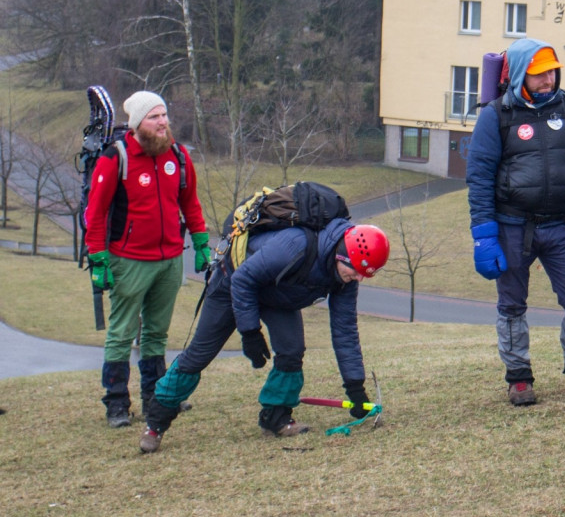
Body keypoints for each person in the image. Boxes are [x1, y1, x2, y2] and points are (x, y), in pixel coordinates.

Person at [138, 221, 390, 452]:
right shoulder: (294, 245)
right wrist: (249, 331)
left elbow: (344, 330)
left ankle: (276, 417)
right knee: (198, 356)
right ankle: (155, 423)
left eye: (365, 274)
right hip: (232, 282)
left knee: (292, 350)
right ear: (341, 254)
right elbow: (243, 280)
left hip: (277, 294)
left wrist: (355, 387)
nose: (358, 278)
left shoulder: (346, 278)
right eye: (356, 270)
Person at [467, 37, 565, 407]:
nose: (548, 79)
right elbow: (479, 177)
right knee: (512, 305)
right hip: (510, 226)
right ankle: (518, 378)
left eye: (551, 71)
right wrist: (484, 236)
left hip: (562, 226)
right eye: (538, 74)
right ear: (521, 74)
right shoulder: (496, 116)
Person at [85, 90, 209, 428]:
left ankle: (156, 396)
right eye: (155, 117)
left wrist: (200, 243)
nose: (163, 122)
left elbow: (190, 204)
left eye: (164, 115)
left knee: (157, 333)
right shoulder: (117, 157)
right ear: (139, 123)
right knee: (122, 333)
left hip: (169, 259)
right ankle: (116, 403)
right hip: (128, 260)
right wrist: (98, 259)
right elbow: (94, 214)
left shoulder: (178, 156)